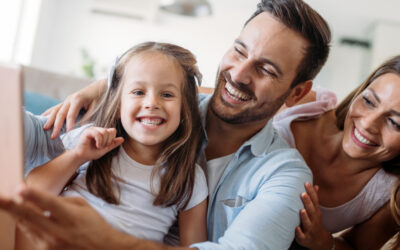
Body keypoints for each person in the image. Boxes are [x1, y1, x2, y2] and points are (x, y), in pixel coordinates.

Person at [0, 0, 332, 249]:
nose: (239, 74)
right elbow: (34, 140)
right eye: (239, 50)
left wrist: (106, 241)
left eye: (267, 70)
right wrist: (107, 88)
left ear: (297, 93)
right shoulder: (138, 118)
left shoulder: (285, 177)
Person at [19, 42, 208, 248]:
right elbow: (32, 194)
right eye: (138, 92)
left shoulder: (190, 177)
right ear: (118, 106)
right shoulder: (89, 139)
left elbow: (196, 246)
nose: (152, 103)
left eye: (167, 94)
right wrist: (77, 156)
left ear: (185, 110)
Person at [273, 56, 400, 249]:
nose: (367, 124)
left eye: (394, 123)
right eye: (368, 101)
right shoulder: (305, 105)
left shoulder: (391, 194)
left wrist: (324, 241)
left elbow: (355, 247)